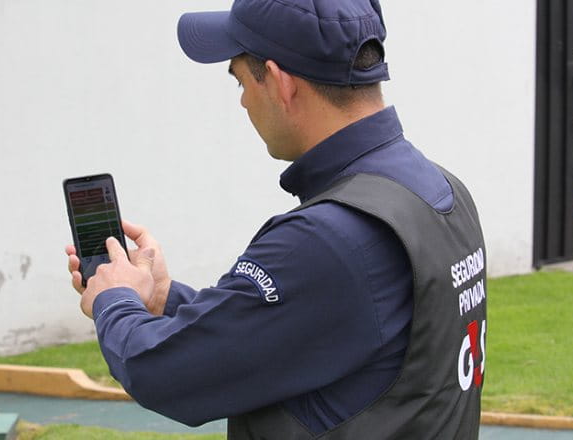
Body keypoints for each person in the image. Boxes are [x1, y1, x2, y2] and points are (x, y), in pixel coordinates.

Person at [66, 0, 488, 438]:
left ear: (282, 83)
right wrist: (163, 297)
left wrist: (114, 298)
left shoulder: (327, 238)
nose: (245, 101)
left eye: (241, 82)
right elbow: (298, 324)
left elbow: (161, 371)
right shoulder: (441, 191)